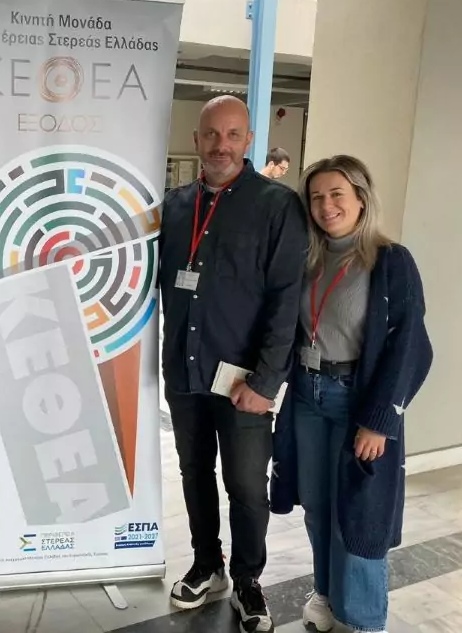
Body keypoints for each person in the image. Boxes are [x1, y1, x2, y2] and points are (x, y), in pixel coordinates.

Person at [158, 95, 307, 633]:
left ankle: (248, 579)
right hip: (185, 373)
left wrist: (266, 381)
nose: (221, 145)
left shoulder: (276, 205)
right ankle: (207, 564)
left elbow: (286, 299)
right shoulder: (175, 205)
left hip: (244, 382)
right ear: (196, 140)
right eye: (211, 134)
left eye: (233, 135)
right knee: (194, 472)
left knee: (245, 485)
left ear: (249, 141)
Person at [271, 156, 432, 633]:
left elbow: (411, 348)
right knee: (317, 506)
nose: (326, 206)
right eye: (316, 197)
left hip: (355, 401)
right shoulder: (308, 258)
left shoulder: (391, 261)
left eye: (337, 194)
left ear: (361, 198)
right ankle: (326, 594)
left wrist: (379, 421)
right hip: (307, 397)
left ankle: (361, 621)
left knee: (359, 517)